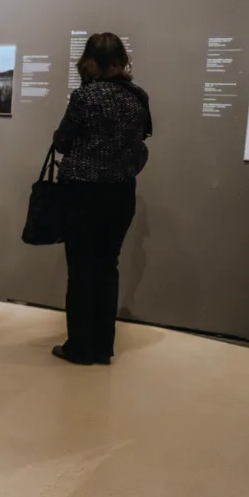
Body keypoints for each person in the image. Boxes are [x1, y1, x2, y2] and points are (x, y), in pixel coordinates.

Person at [51, 32, 152, 366]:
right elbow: (141, 142)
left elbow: (62, 141)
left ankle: (80, 346)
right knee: (108, 266)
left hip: (83, 192)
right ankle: (102, 345)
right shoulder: (138, 96)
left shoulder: (85, 96)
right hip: (121, 193)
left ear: (91, 61)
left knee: (81, 269)